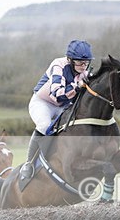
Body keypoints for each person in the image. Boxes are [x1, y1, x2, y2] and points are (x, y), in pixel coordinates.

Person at [20, 39, 93, 180]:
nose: (84, 66)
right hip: (43, 103)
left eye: (86, 62)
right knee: (44, 125)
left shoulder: (84, 72)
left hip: (63, 107)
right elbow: (57, 94)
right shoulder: (58, 64)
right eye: (79, 62)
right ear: (70, 59)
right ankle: (28, 163)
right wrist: (77, 86)